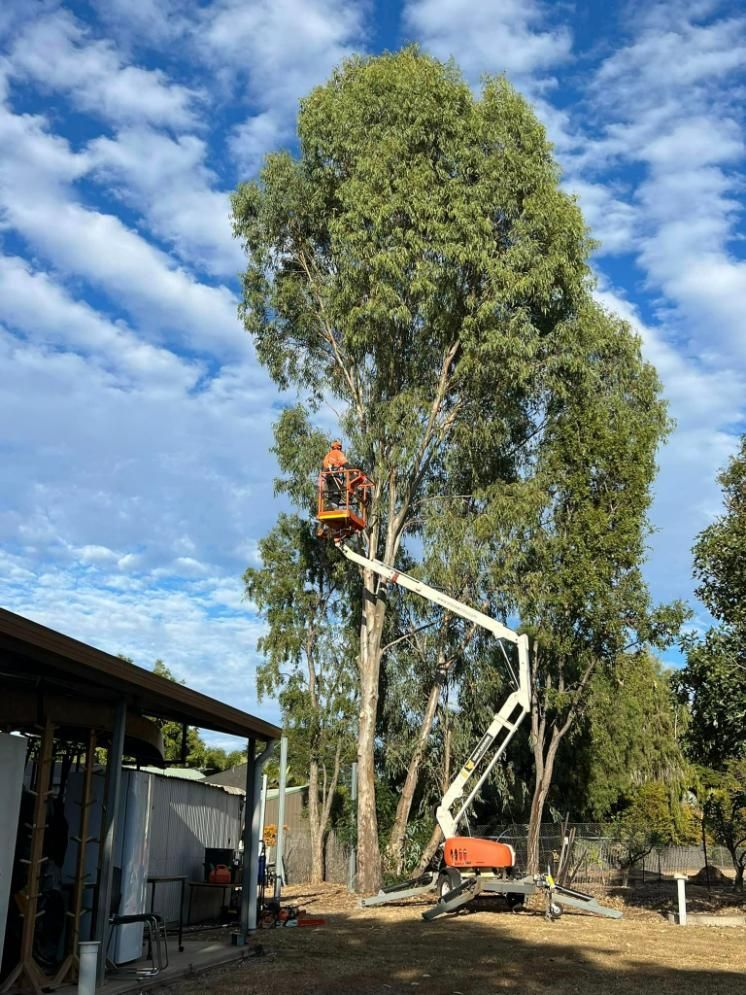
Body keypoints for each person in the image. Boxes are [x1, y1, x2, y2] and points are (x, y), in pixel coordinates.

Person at [322, 440, 349, 507]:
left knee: (331, 491)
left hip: (328, 476)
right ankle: (334, 505)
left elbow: (324, 466)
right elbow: (344, 462)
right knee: (337, 490)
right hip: (335, 475)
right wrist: (352, 470)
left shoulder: (328, 455)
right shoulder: (338, 453)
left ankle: (330, 504)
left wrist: (324, 475)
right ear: (339, 447)